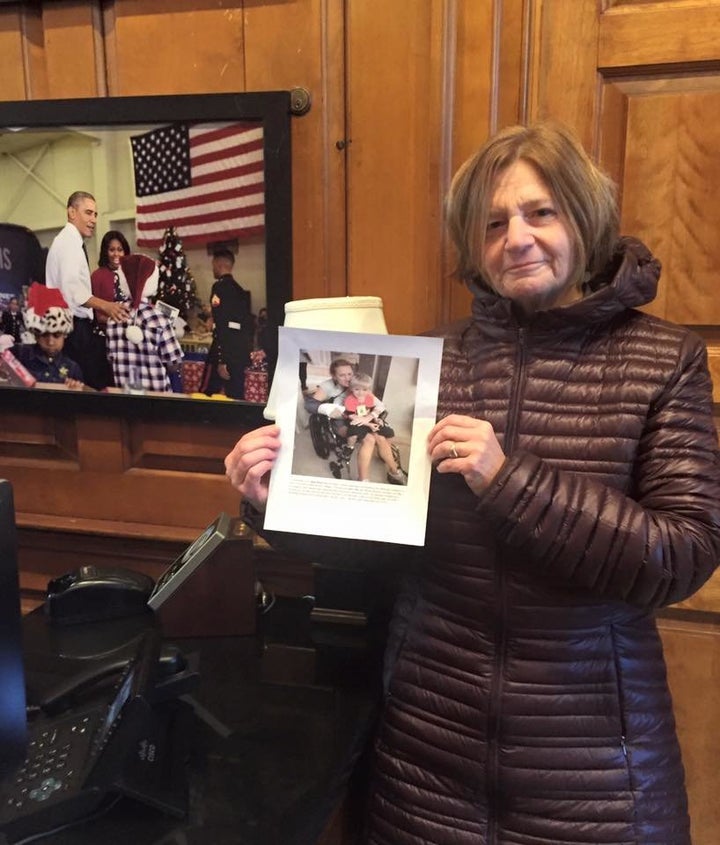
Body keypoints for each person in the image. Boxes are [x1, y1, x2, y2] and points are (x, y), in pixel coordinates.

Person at [224, 120, 720, 844]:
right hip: (426, 759)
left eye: (538, 212)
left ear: (582, 217)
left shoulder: (664, 360)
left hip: (595, 772)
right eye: (493, 223)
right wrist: (275, 501)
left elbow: (682, 554)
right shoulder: (433, 361)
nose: (515, 237)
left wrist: (510, 479)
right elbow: (379, 542)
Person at [45, 192, 129, 389]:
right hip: (74, 327)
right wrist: (107, 306)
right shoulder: (68, 243)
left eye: (96, 214)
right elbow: (72, 290)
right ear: (72, 212)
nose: (93, 220)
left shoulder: (71, 241)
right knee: (90, 384)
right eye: (88, 213)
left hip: (75, 326)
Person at [105, 253, 183, 392]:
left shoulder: (113, 318)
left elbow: (111, 359)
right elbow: (174, 363)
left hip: (126, 398)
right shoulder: (160, 319)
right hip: (157, 401)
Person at [202, 248, 254, 399]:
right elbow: (242, 326)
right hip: (238, 353)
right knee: (236, 395)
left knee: (208, 392)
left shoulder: (219, 287)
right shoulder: (240, 291)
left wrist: (222, 360)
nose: (213, 268)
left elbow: (223, 325)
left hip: (225, 353)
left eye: (213, 264)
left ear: (219, 264)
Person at [341, 371, 406, 484]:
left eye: (365, 390)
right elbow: (350, 415)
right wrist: (368, 422)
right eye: (357, 389)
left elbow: (376, 407)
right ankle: (363, 479)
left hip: (367, 419)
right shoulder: (348, 399)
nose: (361, 393)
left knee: (384, 435)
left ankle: (394, 470)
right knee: (370, 439)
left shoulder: (368, 396)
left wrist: (374, 418)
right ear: (352, 388)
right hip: (355, 421)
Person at [19, 283, 83, 389]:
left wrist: (75, 390)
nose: (50, 342)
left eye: (57, 335)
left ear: (65, 335)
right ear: (36, 335)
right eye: (44, 335)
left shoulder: (72, 368)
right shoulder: (20, 354)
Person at [90, 230, 132, 326]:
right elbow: (98, 316)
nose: (116, 254)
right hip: (109, 330)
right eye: (112, 250)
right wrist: (123, 322)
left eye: (120, 250)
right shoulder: (97, 276)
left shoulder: (132, 273)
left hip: (133, 327)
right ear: (105, 252)